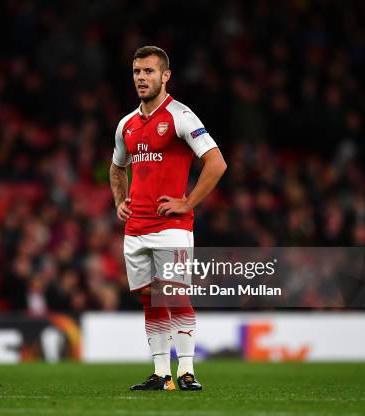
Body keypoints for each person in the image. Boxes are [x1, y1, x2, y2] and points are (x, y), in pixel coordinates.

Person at [109, 46, 227, 391]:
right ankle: (161, 374)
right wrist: (119, 200)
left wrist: (187, 202)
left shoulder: (181, 116)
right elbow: (117, 168)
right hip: (136, 228)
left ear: (165, 76)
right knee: (148, 297)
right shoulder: (126, 125)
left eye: (148, 71)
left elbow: (217, 163)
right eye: (136, 72)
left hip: (172, 226)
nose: (141, 78)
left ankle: (187, 371)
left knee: (174, 294)